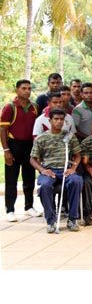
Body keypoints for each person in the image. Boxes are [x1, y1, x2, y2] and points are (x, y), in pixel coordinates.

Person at [29, 110, 83, 233]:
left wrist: (73, 168)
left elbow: (77, 155)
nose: (59, 122)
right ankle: (51, 221)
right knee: (45, 186)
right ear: (50, 121)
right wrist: (42, 170)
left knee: (76, 181)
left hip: (65, 170)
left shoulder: (69, 136)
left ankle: (72, 219)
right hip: (49, 171)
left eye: (61, 119)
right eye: (56, 119)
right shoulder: (42, 138)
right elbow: (32, 159)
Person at [1, 80, 41, 222]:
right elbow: (3, 130)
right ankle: (10, 209)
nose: (27, 91)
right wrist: (6, 150)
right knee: (11, 179)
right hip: (14, 145)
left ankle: (29, 207)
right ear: (17, 90)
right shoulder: (10, 108)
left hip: (30, 145)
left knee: (29, 177)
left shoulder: (35, 107)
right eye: (23, 88)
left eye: (29, 88)